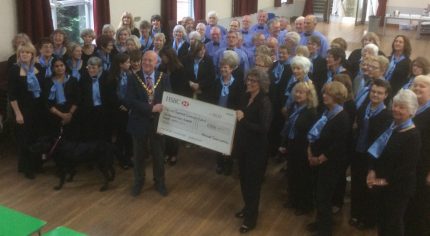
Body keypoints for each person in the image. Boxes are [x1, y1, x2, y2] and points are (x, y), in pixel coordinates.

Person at [367, 89, 421, 236]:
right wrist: (372, 171)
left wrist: (383, 181)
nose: (396, 109)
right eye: (395, 105)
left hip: (398, 189)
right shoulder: (390, 127)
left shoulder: (413, 136)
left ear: (411, 111)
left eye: (402, 107)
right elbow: (377, 151)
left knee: (393, 225)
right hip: (381, 184)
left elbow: (407, 168)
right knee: (382, 222)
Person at [306, 81, 350, 236]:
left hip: (330, 164)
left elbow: (337, 146)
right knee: (318, 195)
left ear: (337, 97)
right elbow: (315, 134)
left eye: (328, 94)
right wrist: (310, 151)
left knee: (324, 198)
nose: (324, 96)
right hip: (318, 160)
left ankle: (325, 230)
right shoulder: (326, 112)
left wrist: (319, 159)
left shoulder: (342, 117)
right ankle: (319, 222)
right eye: (324, 93)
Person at [126, 51, 171, 197]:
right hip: (138, 122)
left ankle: (160, 182)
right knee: (138, 155)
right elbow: (130, 101)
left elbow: (169, 98)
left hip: (158, 123)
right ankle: (139, 182)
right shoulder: (133, 78)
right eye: (144, 60)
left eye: (150, 61)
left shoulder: (164, 78)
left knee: (158, 154)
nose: (146, 63)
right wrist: (151, 108)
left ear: (156, 63)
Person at [234, 68, 272, 233]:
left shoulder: (265, 102)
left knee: (253, 184)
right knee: (243, 179)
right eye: (248, 80)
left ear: (261, 84)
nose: (249, 83)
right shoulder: (245, 96)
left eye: (253, 81)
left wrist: (243, 121)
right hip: (243, 146)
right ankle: (248, 207)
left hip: (257, 150)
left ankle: (251, 219)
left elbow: (264, 128)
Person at [350, 78, 391, 230]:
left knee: (369, 189)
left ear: (385, 95)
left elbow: (382, 141)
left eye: (379, 93)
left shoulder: (387, 116)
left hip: (372, 158)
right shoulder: (363, 109)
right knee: (356, 185)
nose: (375, 95)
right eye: (373, 91)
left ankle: (367, 219)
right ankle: (355, 214)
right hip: (358, 153)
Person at [280, 81, 318, 215]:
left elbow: (312, 135)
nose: (298, 94)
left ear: (309, 95)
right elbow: (288, 125)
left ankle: (304, 205)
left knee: (303, 177)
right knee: (292, 173)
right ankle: (293, 199)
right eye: (296, 91)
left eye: (301, 92)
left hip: (303, 148)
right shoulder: (293, 107)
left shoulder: (312, 112)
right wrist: (284, 144)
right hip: (292, 144)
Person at [8, 43, 44, 179]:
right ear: (19, 55)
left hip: (38, 108)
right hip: (23, 109)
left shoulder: (38, 68)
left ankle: (38, 165)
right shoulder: (14, 70)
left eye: (27, 52)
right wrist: (17, 113)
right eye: (22, 52)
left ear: (32, 55)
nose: (24, 54)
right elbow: (12, 95)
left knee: (37, 137)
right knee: (25, 139)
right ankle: (27, 167)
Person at [209, 52, 244, 175]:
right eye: (222, 67)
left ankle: (228, 164)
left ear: (231, 69)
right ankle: (219, 163)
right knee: (218, 140)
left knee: (229, 142)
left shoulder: (238, 84)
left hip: (230, 119)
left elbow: (240, 102)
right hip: (217, 117)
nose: (223, 69)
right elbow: (212, 99)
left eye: (226, 67)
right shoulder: (216, 82)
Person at [405, 75, 430, 236]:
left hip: (424, 167)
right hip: (408, 167)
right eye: (415, 85)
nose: (417, 88)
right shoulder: (410, 108)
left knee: (420, 207)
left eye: (423, 86)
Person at [158, 47, 187, 166]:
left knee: (174, 130)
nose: (162, 58)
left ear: (169, 56)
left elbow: (181, 88)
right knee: (164, 129)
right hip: (163, 100)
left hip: (176, 101)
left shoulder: (180, 69)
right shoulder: (161, 68)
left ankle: (173, 154)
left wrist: (175, 100)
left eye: (163, 56)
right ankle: (166, 152)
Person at [78, 56, 114, 143]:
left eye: (93, 68)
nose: (91, 70)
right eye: (89, 68)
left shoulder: (107, 77)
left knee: (104, 134)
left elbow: (111, 96)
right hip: (89, 110)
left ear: (100, 68)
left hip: (104, 110)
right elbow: (81, 96)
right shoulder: (83, 78)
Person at [43, 57, 79, 140]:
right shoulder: (47, 81)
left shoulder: (73, 80)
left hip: (71, 114)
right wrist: (62, 115)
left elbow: (77, 99)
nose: (59, 68)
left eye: (61, 65)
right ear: (53, 68)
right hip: (54, 115)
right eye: (56, 66)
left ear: (65, 66)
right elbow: (47, 102)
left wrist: (69, 114)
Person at [108, 53, 133, 169]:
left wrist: (128, 105)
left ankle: (128, 157)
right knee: (120, 136)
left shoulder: (129, 74)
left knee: (128, 135)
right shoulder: (112, 77)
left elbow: (131, 91)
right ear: (120, 64)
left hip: (128, 108)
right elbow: (111, 96)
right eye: (127, 62)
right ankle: (121, 159)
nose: (129, 64)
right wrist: (121, 105)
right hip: (117, 110)